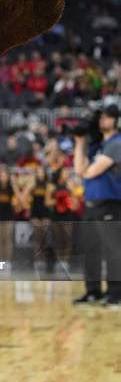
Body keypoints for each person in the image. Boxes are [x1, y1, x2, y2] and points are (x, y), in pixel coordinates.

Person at [73, 105, 121, 306]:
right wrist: (80, 140)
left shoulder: (116, 143)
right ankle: (93, 292)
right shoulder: (99, 145)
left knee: (113, 250)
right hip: (91, 204)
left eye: (109, 117)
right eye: (102, 117)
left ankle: (116, 294)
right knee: (90, 250)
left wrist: (84, 166)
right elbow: (78, 168)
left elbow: (89, 171)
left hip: (110, 204)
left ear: (117, 121)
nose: (103, 120)